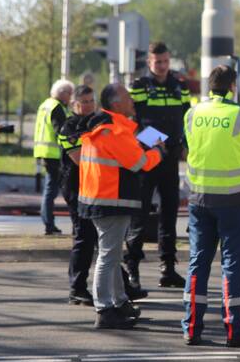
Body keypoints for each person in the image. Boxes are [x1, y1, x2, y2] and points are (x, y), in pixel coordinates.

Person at [182, 65, 240, 347]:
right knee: (232, 264)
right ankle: (234, 329)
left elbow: (188, 145)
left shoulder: (192, 113)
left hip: (199, 198)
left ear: (209, 86)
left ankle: (191, 328)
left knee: (198, 262)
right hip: (234, 199)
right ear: (232, 86)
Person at [78, 83, 165, 330]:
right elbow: (140, 162)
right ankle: (104, 309)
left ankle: (119, 302)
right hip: (110, 201)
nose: (132, 101)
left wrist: (160, 138)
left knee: (112, 255)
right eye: (128, 97)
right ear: (116, 104)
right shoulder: (113, 131)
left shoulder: (108, 125)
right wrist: (159, 151)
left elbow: (136, 135)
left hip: (103, 199)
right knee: (108, 256)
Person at [57, 85, 146, 306]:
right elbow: (79, 158)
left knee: (107, 247)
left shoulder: (98, 122)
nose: (88, 105)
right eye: (83, 102)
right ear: (73, 104)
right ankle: (78, 288)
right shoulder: (69, 128)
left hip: (98, 188)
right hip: (79, 187)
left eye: (90, 101)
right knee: (85, 240)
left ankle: (121, 292)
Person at [125, 42, 191, 290]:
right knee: (139, 213)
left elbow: (187, 117)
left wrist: (183, 143)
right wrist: (156, 143)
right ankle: (132, 267)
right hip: (147, 157)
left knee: (170, 211)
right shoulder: (139, 86)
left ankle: (168, 267)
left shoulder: (180, 86)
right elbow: (133, 122)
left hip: (171, 158)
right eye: (157, 62)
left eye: (165, 61)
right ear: (149, 62)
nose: (161, 66)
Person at [34, 80, 74, 235]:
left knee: (49, 189)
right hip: (54, 153)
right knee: (52, 190)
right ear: (62, 93)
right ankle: (49, 224)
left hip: (44, 151)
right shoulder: (57, 107)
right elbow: (61, 131)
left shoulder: (45, 104)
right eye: (69, 94)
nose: (70, 98)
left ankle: (48, 223)